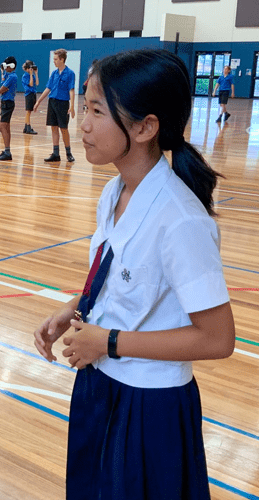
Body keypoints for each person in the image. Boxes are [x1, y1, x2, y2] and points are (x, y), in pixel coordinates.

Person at [33, 48, 234, 500]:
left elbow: (217, 339)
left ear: (145, 127)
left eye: (98, 111)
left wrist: (107, 342)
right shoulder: (113, 190)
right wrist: (74, 309)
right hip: (100, 381)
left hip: (149, 404)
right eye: (84, 107)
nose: (82, 123)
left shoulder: (181, 219)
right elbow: (113, 276)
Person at [33, 48, 76, 162]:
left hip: (63, 103)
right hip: (52, 102)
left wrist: (72, 106)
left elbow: (71, 90)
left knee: (64, 128)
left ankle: (68, 153)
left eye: (56, 59)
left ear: (62, 59)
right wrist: (38, 101)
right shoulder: (54, 73)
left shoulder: (70, 73)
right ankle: (56, 153)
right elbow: (48, 88)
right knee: (54, 128)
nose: (54, 61)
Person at [0, 56, 17, 161]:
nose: (5, 67)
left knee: (2, 127)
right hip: (6, 103)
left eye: (7, 66)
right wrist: (2, 73)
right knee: (7, 128)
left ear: (12, 66)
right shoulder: (9, 76)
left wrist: (3, 79)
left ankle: (7, 151)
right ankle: (6, 150)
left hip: (7, 104)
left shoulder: (12, 77)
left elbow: (1, 90)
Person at [21, 60, 39, 135]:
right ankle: (28, 127)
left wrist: (36, 74)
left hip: (33, 93)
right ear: (27, 68)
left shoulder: (33, 75)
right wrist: (31, 75)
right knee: (28, 111)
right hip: (29, 94)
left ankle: (26, 127)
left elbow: (37, 83)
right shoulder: (25, 76)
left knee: (29, 111)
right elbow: (31, 84)